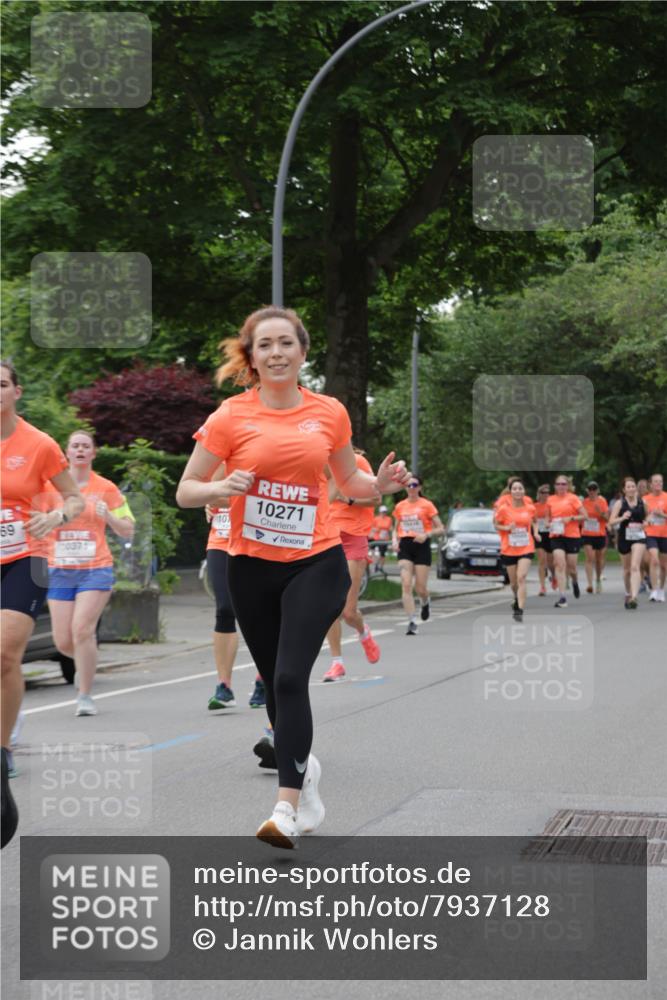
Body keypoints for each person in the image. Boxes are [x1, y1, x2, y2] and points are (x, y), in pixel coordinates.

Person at [176, 307, 410, 848]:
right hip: (250, 566)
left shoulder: (328, 412)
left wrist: (381, 484)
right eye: (265, 345)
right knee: (279, 690)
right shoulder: (230, 417)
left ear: (304, 352)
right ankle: (304, 780)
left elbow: (349, 479)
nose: (276, 352)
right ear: (251, 357)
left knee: (286, 680)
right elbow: (187, 488)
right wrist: (219, 489)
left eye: (286, 343)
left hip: (316, 561)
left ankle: (282, 809)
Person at [1, 362, 84, 848]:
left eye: (2, 383)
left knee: (7, 652)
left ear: (17, 390)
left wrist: (55, 515)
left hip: (26, 557)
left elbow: (74, 500)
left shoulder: (38, 444)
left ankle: (3, 746)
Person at [45, 430, 135, 717]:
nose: (81, 450)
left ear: (93, 453)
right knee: (62, 641)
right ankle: (86, 665)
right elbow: (35, 521)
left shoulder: (107, 488)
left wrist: (107, 514)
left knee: (82, 629)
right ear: (67, 453)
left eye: (86, 446)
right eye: (75, 446)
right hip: (59, 569)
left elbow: (128, 528)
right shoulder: (50, 488)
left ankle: (84, 694)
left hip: (95, 568)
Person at [204, 465, 265, 710]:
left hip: (255, 540)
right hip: (221, 540)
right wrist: (209, 500)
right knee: (225, 609)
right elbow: (202, 491)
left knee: (258, 613)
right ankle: (224, 686)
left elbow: (263, 496)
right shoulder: (213, 459)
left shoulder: (257, 454)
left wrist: (220, 498)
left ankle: (263, 679)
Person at [322, 450, 381, 682]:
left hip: (353, 536)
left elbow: (377, 499)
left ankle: (363, 631)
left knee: (348, 611)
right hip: (327, 536)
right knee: (329, 608)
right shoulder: (317, 463)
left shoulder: (357, 462)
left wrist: (349, 500)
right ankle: (337, 663)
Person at [391, 476, 444, 635]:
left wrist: (426, 535)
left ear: (420, 487)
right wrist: (394, 540)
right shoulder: (400, 506)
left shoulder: (427, 505)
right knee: (406, 584)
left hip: (421, 545)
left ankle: (425, 601)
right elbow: (395, 528)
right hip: (405, 546)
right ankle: (412, 621)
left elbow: (441, 528)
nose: (411, 487)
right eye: (408, 485)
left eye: (414, 485)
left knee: (420, 587)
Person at [493, 478, 538, 621]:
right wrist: (506, 528)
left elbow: (535, 521)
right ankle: (516, 596)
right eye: (515, 489)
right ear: (510, 491)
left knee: (521, 577)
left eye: (520, 488)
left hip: (526, 546)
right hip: (509, 548)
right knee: (513, 583)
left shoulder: (530, 507)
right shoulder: (504, 509)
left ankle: (519, 609)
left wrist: (535, 533)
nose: (518, 491)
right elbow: (496, 524)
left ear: (524, 491)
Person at [546, 475, 586, 608]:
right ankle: (562, 596)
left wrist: (571, 518)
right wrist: (548, 524)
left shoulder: (573, 498)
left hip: (572, 536)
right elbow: (547, 519)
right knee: (559, 564)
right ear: (555, 486)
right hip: (556, 535)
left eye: (563, 484)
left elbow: (585, 515)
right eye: (558, 484)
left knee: (572, 568)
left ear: (567, 486)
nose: (561, 486)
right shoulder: (550, 500)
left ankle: (574, 581)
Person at [608, 478, 647, 609]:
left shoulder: (642, 502)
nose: (631, 489)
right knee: (626, 570)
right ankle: (627, 592)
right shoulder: (620, 503)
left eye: (633, 486)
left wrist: (646, 523)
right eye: (628, 487)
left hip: (639, 537)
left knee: (635, 566)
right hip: (624, 537)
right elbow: (611, 522)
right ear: (624, 490)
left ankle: (634, 597)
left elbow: (647, 517)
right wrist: (622, 518)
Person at [580, 481, 609, 594]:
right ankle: (590, 584)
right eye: (590, 489)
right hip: (587, 533)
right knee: (589, 558)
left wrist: (600, 512)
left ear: (598, 490)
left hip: (599, 533)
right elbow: (580, 515)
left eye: (594, 489)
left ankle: (598, 580)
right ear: (587, 490)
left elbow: (607, 518)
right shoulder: (583, 503)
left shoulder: (602, 501)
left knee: (598, 559)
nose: (592, 491)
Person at [643, 473, 667, 602]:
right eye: (656, 482)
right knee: (654, 560)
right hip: (651, 533)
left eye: (660, 482)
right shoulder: (645, 499)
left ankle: (661, 590)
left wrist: (662, 515)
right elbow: (642, 516)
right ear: (651, 484)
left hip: (664, 534)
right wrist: (646, 520)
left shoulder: (666, 497)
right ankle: (654, 589)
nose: (658, 484)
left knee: (664, 566)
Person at [533, 484, 555, 596]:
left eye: (547, 493)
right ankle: (542, 587)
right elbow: (532, 520)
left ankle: (554, 575)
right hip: (539, 534)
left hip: (550, 534)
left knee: (551, 562)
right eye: (543, 493)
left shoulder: (552, 505)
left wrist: (549, 523)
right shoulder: (534, 506)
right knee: (541, 561)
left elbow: (556, 518)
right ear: (539, 494)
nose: (545, 495)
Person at [369, 504, 392, 573]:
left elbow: (390, 528)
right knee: (373, 551)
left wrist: (389, 531)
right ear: (380, 512)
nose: (383, 513)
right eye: (382, 512)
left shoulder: (389, 519)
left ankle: (380, 567)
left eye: (385, 512)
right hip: (376, 538)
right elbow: (371, 528)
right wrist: (376, 529)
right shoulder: (376, 519)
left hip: (384, 539)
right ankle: (375, 564)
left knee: (382, 554)